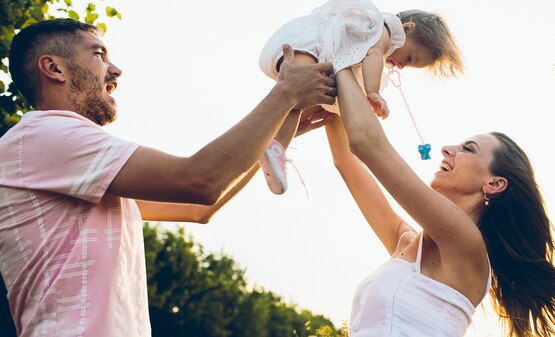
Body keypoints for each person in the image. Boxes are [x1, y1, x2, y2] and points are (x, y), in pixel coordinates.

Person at [0, 18, 336, 337]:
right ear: (54, 68)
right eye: (99, 55)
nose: (116, 70)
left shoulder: (69, 164)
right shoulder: (44, 134)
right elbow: (200, 180)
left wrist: (273, 128)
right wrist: (284, 95)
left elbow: (198, 208)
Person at [325, 66, 555, 337]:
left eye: (467, 149)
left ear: (495, 184)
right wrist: (331, 102)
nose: (447, 149)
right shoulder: (409, 244)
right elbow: (347, 163)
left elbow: (366, 142)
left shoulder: (466, 243)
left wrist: (343, 58)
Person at [258, 0, 462, 195]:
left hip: (298, 46)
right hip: (308, 44)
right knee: (300, 96)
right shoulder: (383, 31)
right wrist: (372, 92)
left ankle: (274, 149)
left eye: (407, 66)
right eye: (408, 59)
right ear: (406, 29)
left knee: (298, 100)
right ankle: (275, 148)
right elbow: (372, 56)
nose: (400, 66)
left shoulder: (365, 37)